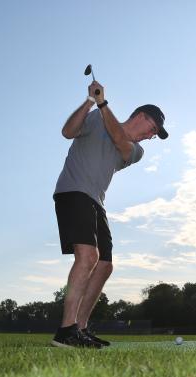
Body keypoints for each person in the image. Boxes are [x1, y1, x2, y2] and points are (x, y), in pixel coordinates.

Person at [51, 80, 168, 348]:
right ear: (141, 117)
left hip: (95, 201)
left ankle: (79, 328)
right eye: (152, 129)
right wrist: (90, 101)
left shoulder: (136, 151)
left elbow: (119, 138)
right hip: (73, 191)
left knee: (104, 265)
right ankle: (66, 330)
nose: (151, 136)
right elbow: (67, 132)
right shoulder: (95, 117)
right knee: (88, 256)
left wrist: (102, 103)